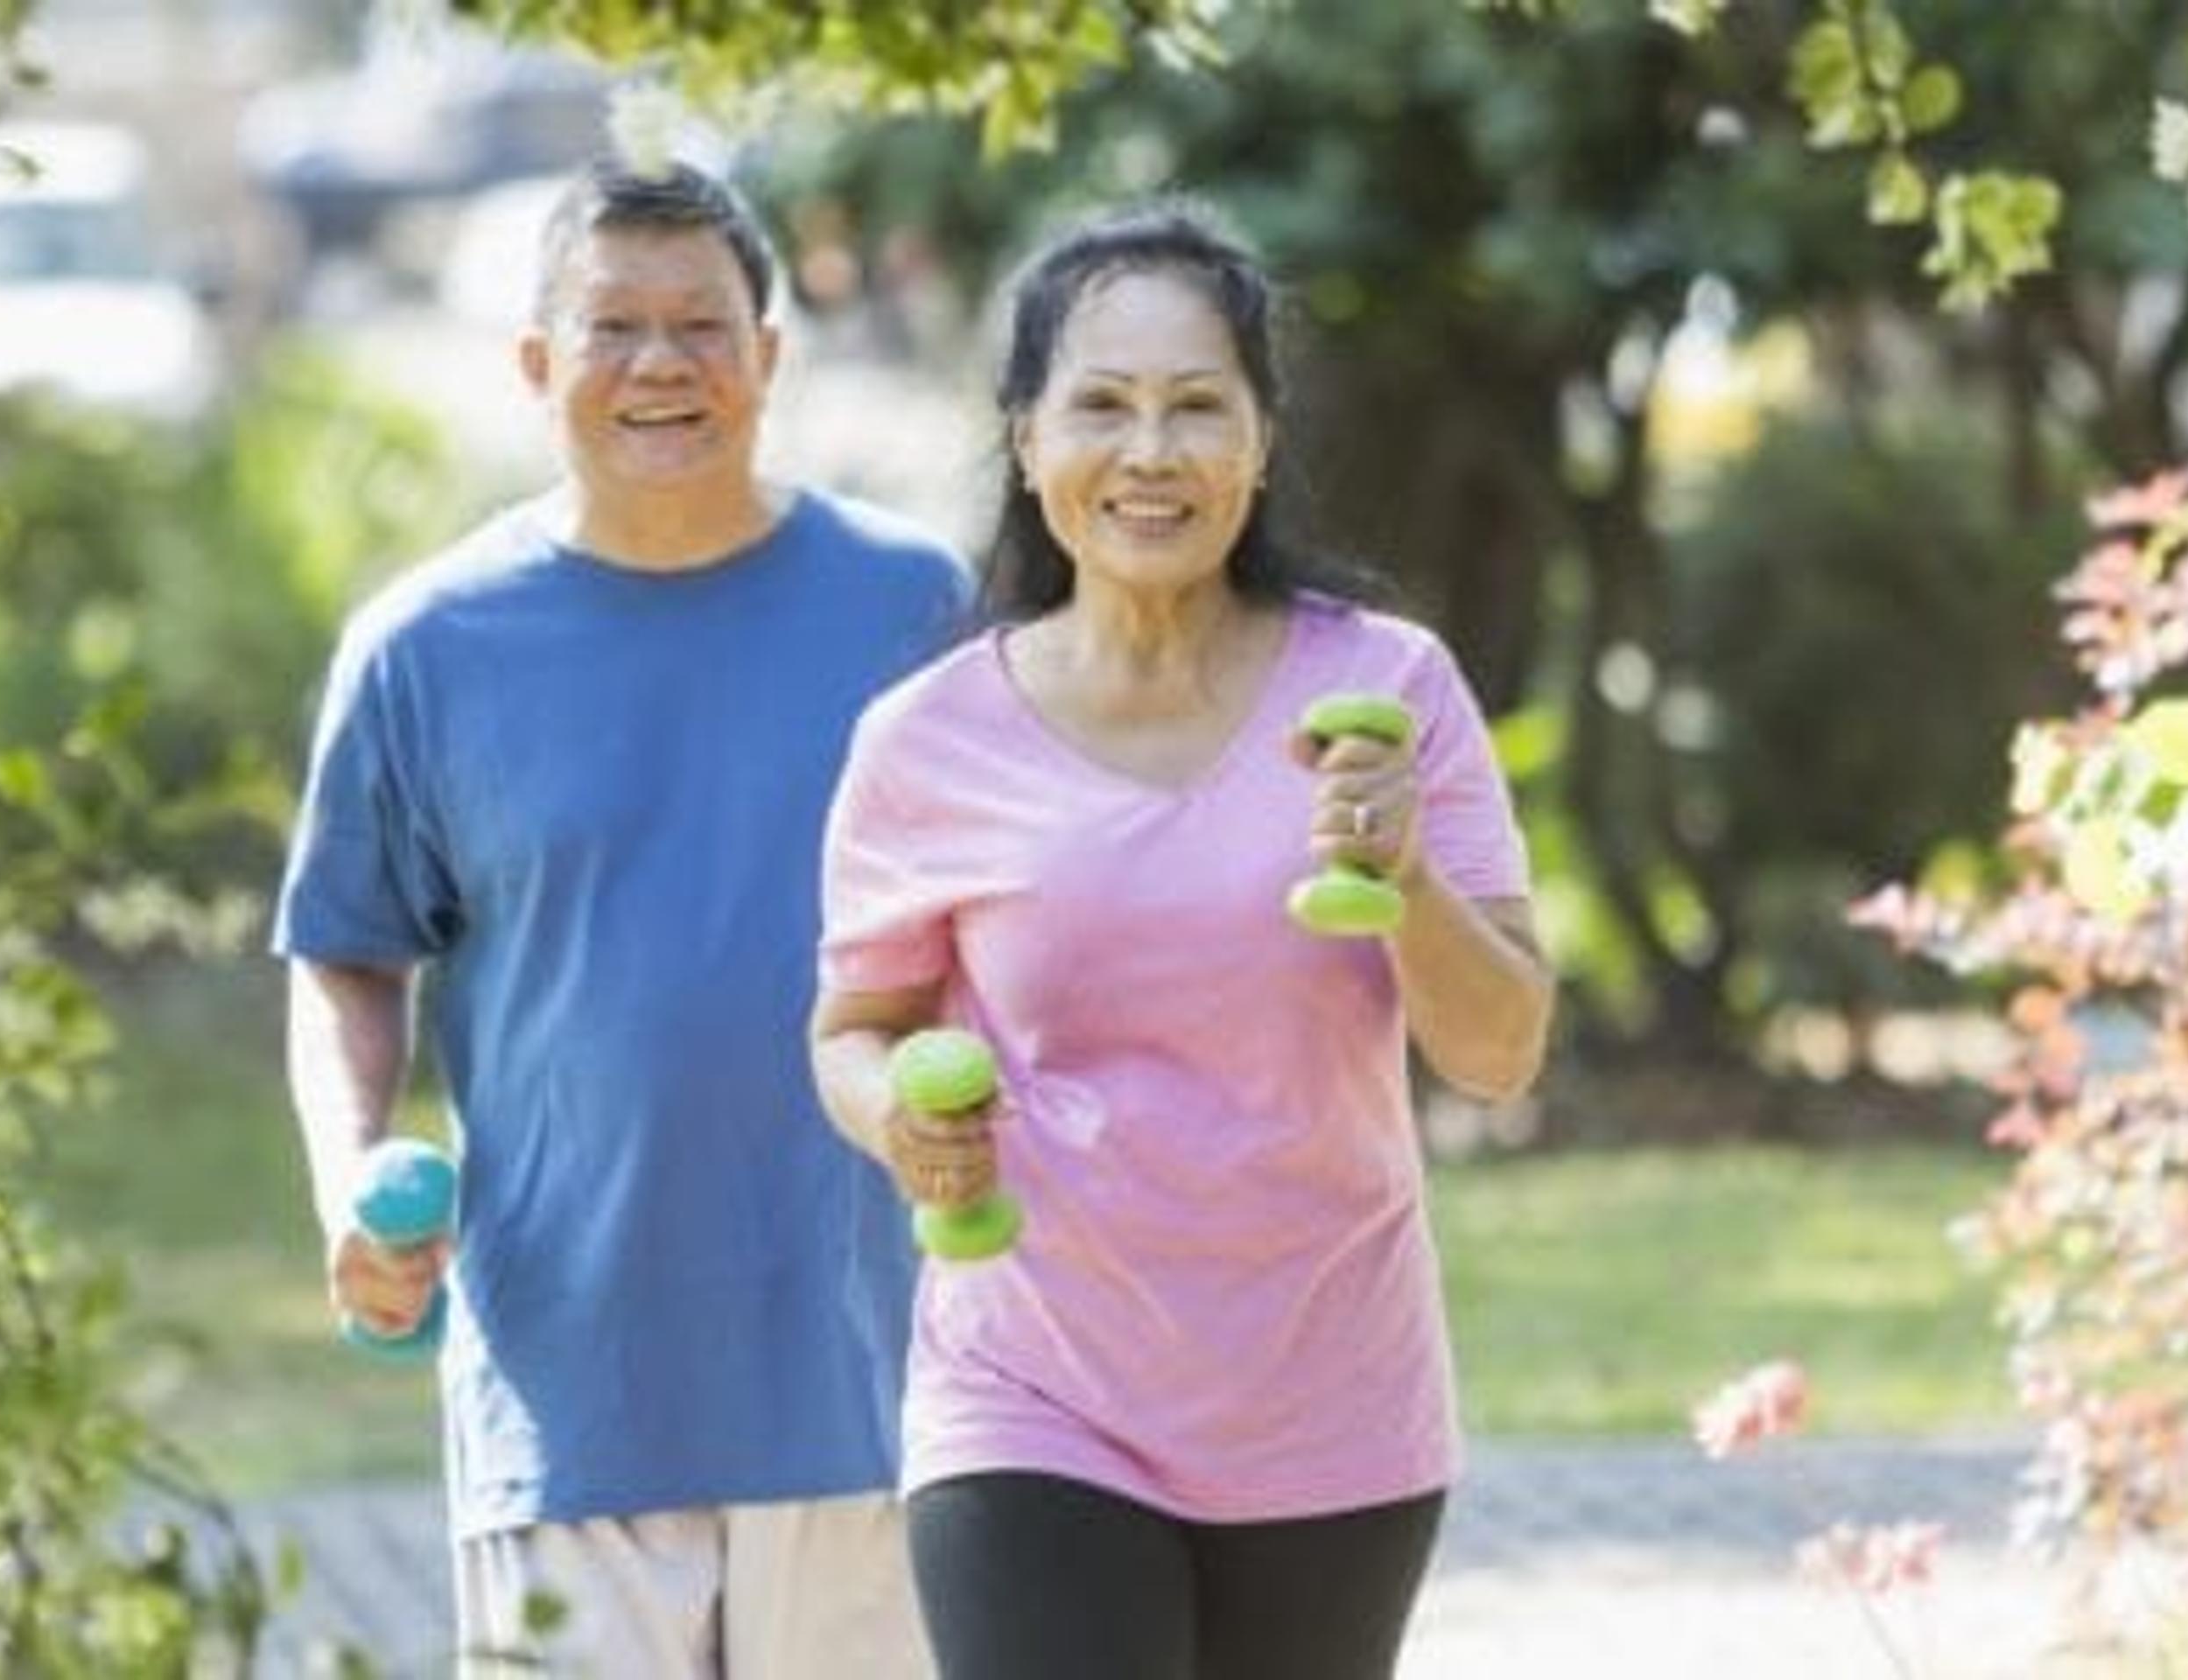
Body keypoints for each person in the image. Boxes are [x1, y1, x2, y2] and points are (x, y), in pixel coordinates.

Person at [807, 205, 1555, 1680]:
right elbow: (852, 1025)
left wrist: (1403, 872)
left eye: (1197, 405)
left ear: (1262, 442)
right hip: (1030, 1383)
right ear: (1027, 440)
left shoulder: (1389, 690)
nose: (1150, 452)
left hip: (1328, 1393)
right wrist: (898, 1114)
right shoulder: (926, 741)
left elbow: (1499, 1052)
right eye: (1101, 405)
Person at [273, 158, 962, 1677]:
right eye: (614, 328)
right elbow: (346, 951)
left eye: (704, 327)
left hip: (873, 1378)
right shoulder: (423, 648)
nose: (663, 365)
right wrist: (347, 1186)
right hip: (567, 1393)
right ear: (537, 365)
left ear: (769, 359)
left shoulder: (913, 606)